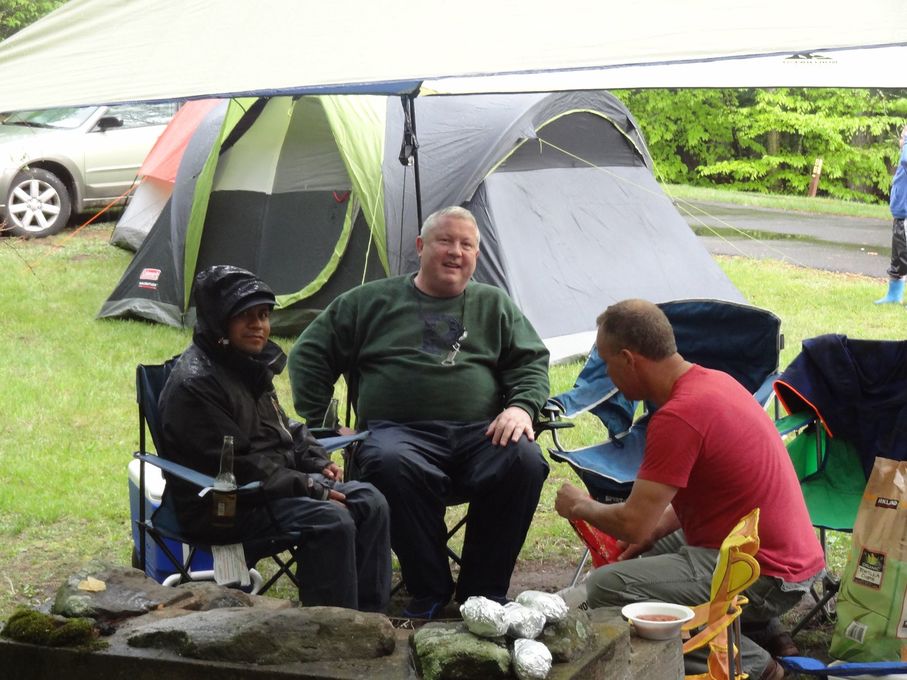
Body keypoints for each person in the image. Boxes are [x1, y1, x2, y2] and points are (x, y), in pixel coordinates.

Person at [288, 206, 551, 618]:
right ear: (420, 246)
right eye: (445, 240)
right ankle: (428, 587)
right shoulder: (369, 302)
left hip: (478, 436)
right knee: (386, 462)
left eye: (467, 245)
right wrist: (323, 424)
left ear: (477, 256)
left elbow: (531, 362)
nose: (455, 252)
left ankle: (483, 593)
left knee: (524, 459)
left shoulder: (493, 304)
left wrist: (521, 407)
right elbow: (308, 355)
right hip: (397, 435)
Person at [554, 299, 825, 680]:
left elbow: (633, 524)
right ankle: (759, 627)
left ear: (630, 360)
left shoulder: (678, 416)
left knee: (606, 589)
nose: (609, 377)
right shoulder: (712, 381)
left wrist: (580, 506)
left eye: (607, 362)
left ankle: (755, 664)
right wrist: (656, 532)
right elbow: (707, 495)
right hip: (770, 550)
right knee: (633, 562)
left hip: (769, 573)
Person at [158, 264, 391, 612]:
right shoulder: (196, 384)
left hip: (271, 489)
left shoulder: (243, 364)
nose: (259, 325)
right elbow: (238, 465)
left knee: (370, 500)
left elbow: (285, 427)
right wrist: (312, 488)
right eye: (246, 316)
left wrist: (316, 460)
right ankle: (329, 627)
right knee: (330, 519)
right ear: (220, 321)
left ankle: (369, 618)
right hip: (225, 506)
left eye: (264, 315)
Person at [876, 124, 907, 305]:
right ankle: (894, 296)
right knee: (898, 259)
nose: (900, 140)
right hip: (900, 215)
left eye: (903, 136)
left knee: (905, 256)